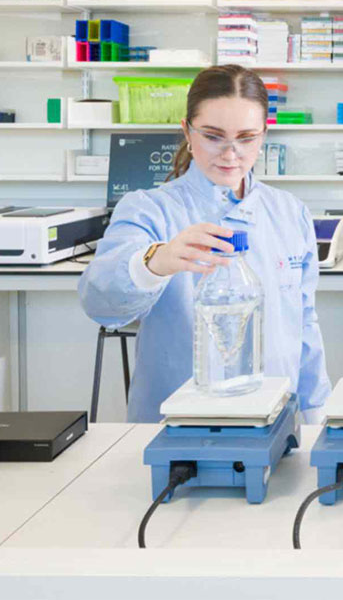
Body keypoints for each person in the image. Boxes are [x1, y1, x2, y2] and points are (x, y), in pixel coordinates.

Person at [79, 65, 330, 423]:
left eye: (246, 138)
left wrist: (316, 411)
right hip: (175, 429)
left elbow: (304, 324)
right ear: (187, 131)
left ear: (264, 136)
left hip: (276, 422)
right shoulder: (150, 209)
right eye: (213, 136)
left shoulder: (290, 213)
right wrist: (154, 262)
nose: (231, 154)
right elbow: (99, 302)